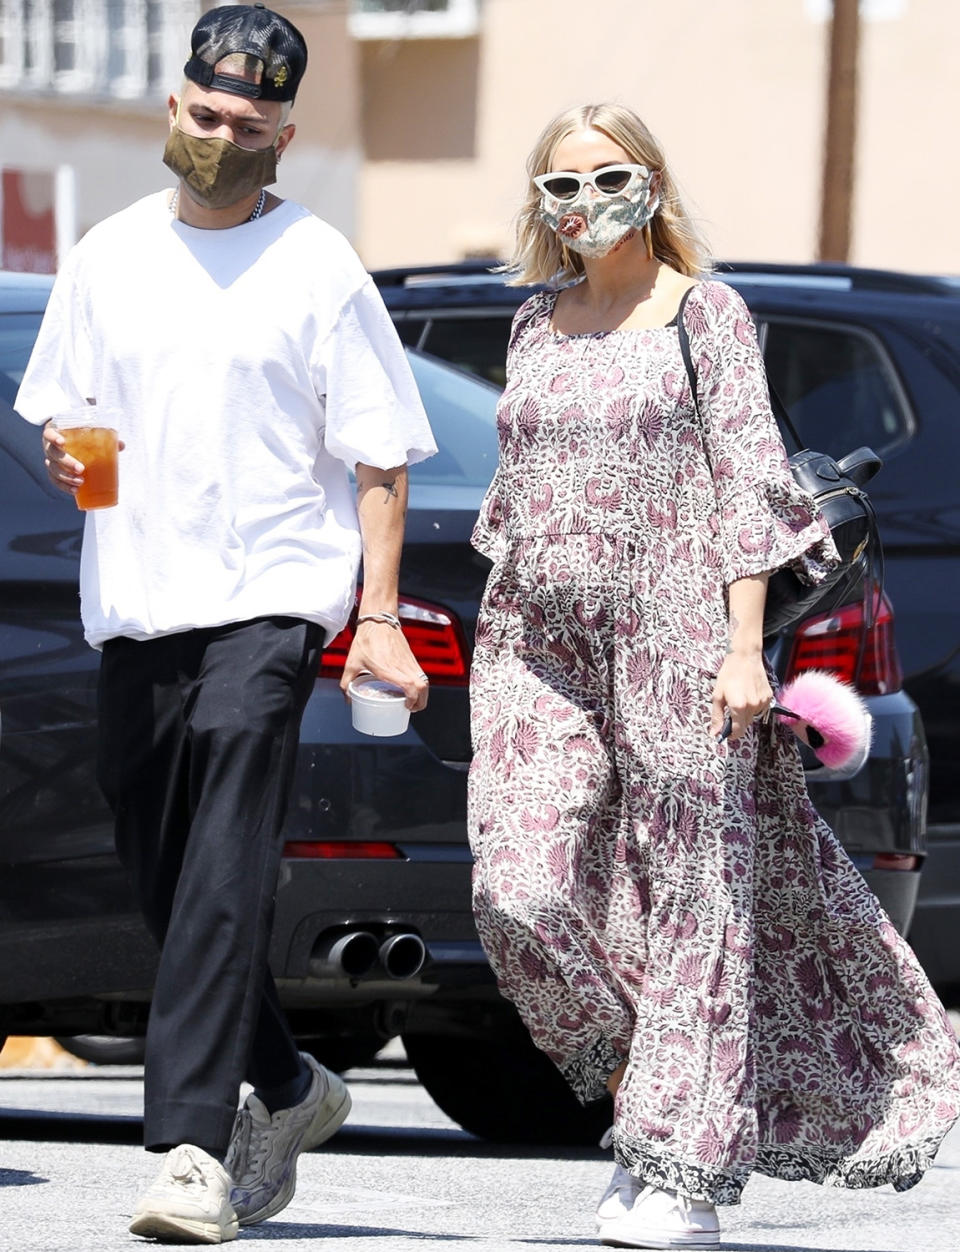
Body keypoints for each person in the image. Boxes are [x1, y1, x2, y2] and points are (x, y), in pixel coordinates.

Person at [467, 102, 960, 1250]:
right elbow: (517, 485)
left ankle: (681, 1172)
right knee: (519, 887)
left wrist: (746, 650)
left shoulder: (707, 314)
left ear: (653, 181)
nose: (586, 203)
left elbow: (749, 486)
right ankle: (656, 1088)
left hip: (677, 637)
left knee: (698, 902)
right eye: (561, 187)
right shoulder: (535, 324)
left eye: (610, 177)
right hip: (538, 644)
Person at [15, 4, 436, 1245]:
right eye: (205, 116)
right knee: (160, 870)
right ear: (172, 108)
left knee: (220, 871)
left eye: (248, 126)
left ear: (286, 134)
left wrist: (379, 619)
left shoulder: (317, 266)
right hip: (139, 608)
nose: (220, 139)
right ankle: (295, 1085)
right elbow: (64, 418)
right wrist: (61, 456)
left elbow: (379, 460)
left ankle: (192, 1148)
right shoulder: (105, 256)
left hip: (269, 605)